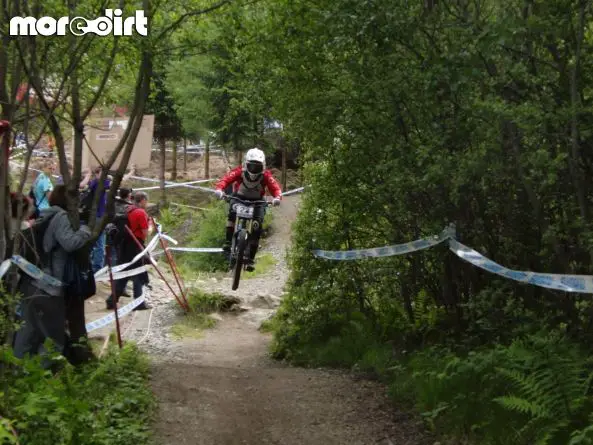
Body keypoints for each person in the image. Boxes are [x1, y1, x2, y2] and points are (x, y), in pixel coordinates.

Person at [13, 185, 92, 368]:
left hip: (31, 283)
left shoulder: (44, 216)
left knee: (27, 334)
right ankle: (47, 379)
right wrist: (85, 230)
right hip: (49, 287)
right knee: (54, 340)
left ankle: (17, 374)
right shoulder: (61, 217)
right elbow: (70, 243)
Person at [214, 147, 282, 271]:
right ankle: (228, 243)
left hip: (257, 202)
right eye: (251, 166)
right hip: (239, 198)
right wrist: (219, 189)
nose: (254, 169)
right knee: (232, 215)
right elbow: (226, 179)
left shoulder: (266, 175)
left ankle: (250, 258)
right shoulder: (239, 171)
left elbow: (275, 187)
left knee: (257, 227)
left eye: (257, 166)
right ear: (246, 164)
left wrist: (277, 197)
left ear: (263, 166)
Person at [105, 191, 151, 311]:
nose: (147, 203)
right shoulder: (140, 212)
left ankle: (112, 300)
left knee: (125, 273)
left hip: (124, 244)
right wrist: (150, 226)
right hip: (135, 244)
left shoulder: (127, 209)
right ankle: (138, 302)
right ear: (142, 201)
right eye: (146, 201)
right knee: (138, 272)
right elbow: (145, 233)